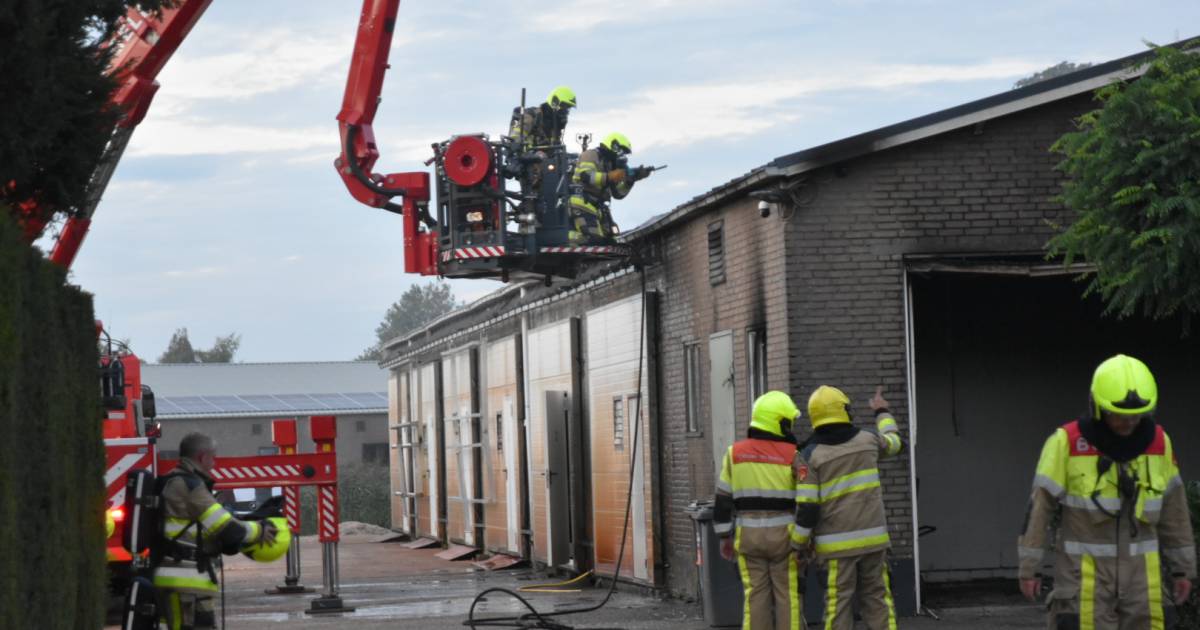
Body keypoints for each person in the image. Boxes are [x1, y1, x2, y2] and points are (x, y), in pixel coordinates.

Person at [1017, 354, 1194, 629]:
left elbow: (1175, 511)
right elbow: (1039, 509)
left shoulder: (1159, 444)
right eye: (1119, 415)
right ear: (1097, 407)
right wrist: (1030, 568)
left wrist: (1183, 569)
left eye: (1135, 417)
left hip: (1143, 587)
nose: (1128, 423)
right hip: (1085, 585)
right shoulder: (1067, 443)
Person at [791, 385, 903, 630]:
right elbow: (895, 443)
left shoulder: (809, 456)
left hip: (835, 549)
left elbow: (807, 508)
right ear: (845, 411)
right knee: (878, 600)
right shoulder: (868, 441)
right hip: (874, 542)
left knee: (838, 606)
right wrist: (882, 411)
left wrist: (797, 545)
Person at [152, 432, 278, 630]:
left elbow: (206, 525)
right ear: (202, 457)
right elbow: (225, 527)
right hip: (184, 580)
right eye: (213, 457)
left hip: (181, 578)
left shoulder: (174, 481)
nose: (215, 463)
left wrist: (244, 520)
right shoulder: (189, 486)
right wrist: (260, 530)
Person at [713, 391, 806, 630]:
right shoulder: (793, 456)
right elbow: (807, 500)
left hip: (748, 536)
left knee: (755, 595)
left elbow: (723, 499)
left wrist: (725, 536)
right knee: (787, 596)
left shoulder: (734, 453)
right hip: (784, 537)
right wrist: (805, 540)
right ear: (782, 422)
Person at [568, 132, 650, 244]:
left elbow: (617, 194)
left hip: (599, 207)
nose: (622, 155)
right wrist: (609, 177)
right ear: (614, 145)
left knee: (610, 240)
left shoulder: (610, 164)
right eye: (622, 150)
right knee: (593, 240)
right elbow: (586, 176)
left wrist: (630, 181)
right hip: (582, 202)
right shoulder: (591, 155)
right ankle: (568, 239)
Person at [509, 85, 576, 151]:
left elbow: (554, 148)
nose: (565, 110)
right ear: (554, 102)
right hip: (526, 159)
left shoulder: (555, 125)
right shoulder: (532, 115)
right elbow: (515, 139)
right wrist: (530, 152)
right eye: (564, 106)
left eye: (568, 108)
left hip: (548, 161)